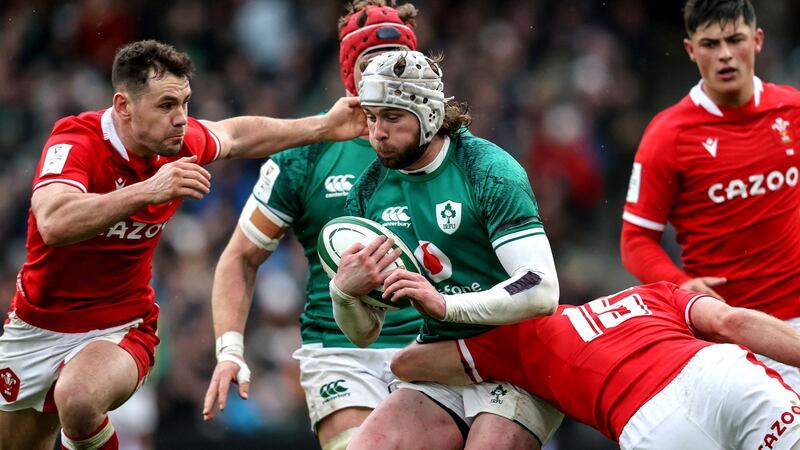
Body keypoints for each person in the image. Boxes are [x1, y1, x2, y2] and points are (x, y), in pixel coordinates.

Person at [0, 39, 366, 450]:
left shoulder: (178, 143)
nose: (181, 119)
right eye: (166, 105)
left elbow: (237, 135)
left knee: (79, 398)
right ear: (123, 106)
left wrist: (324, 127)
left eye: (185, 103)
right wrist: (146, 191)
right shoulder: (77, 142)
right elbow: (53, 221)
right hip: (36, 325)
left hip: (121, 327)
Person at [200, 2, 421, 450]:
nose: (385, 73)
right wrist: (230, 350)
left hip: (431, 349)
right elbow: (240, 258)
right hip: (339, 354)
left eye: (397, 61)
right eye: (370, 63)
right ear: (349, 74)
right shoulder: (304, 158)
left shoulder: (457, 152)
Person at [332, 49, 562, 450]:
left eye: (392, 117)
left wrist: (445, 306)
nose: (377, 132)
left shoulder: (488, 169)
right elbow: (365, 333)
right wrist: (344, 293)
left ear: (429, 116)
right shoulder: (369, 191)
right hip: (444, 363)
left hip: (519, 360)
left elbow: (542, 290)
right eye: (371, 117)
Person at [620, 0, 800, 388]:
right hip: (733, 338)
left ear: (757, 40)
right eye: (710, 44)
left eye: (735, 40)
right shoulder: (667, 135)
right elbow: (635, 240)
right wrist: (680, 282)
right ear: (690, 49)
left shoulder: (792, 109)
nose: (724, 55)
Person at [388, 281, 800, 450]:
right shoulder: (652, 293)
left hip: (650, 425)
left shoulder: (520, 335)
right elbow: (734, 321)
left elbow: (406, 364)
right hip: (713, 372)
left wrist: (445, 310)